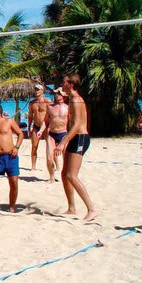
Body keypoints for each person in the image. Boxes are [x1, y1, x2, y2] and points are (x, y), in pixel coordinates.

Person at [55, 74, 97, 221]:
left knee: (71, 175)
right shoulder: (71, 100)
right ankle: (71, 208)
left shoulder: (77, 100)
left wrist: (62, 142)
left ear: (71, 84)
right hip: (73, 138)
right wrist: (66, 140)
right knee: (64, 174)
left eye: (64, 82)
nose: (62, 85)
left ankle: (91, 209)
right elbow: (71, 124)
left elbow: (79, 125)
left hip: (80, 138)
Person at [44, 87, 69, 183]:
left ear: (64, 96)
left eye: (59, 93)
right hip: (52, 134)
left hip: (63, 133)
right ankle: (52, 177)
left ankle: (66, 176)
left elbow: (71, 123)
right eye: (56, 93)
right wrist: (41, 130)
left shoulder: (68, 108)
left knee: (66, 158)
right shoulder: (50, 107)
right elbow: (46, 121)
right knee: (49, 157)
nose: (57, 95)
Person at [27, 84, 50, 172]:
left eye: (38, 89)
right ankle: (33, 166)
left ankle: (56, 165)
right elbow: (29, 116)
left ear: (42, 91)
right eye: (35, 89)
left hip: (46, 127)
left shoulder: (47, 102)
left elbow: (52, 115)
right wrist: (29, 128)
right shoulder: (32, 103)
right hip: (36, 127)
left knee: (50, 147)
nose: (36, 91)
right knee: (34, 146)